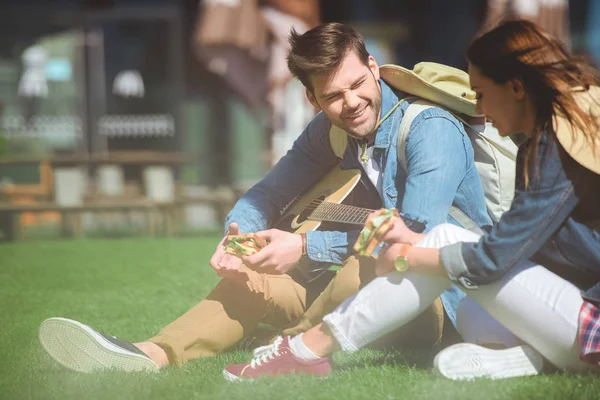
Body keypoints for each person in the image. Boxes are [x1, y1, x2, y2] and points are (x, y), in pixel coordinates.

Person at [38, 23, 491, 373]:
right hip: (357, 291)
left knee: (368, 261)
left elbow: (413, 238)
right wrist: (238, 237)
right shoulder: (332, 129)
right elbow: (269, 191)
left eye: (357, 83)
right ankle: (148, 355)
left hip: (444, 302)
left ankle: (288, 351)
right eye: (333, 95)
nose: (350, 102)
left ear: (374, 66)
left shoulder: (430, 128)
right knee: (250, 279)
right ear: (313, 99)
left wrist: (306, 246)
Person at [223, 19, 600, 382]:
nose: (478, 109)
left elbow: (497, 257)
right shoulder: (559, 130)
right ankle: (540, 359)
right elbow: (514, 247)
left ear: (516, 87)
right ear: (314, 99)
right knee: (467, 316)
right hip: (575, 309)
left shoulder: (559, 144)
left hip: (591, 325)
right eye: (333, 95)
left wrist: (410, 253)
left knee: (441, 243)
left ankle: (307, 351)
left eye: (481, 94)